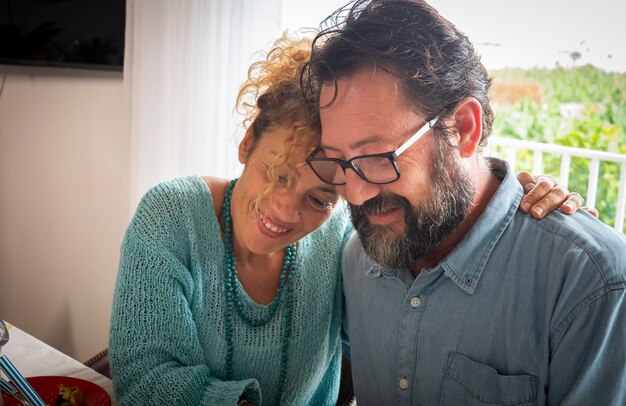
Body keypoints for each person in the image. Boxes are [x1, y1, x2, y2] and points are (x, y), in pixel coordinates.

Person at [108, 34, 587, 406]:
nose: (285, 210)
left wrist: (512, 192)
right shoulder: (173, 215)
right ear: (247, 142)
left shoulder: (348, 242)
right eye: (276, 174)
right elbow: (144, 379)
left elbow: (435, 191)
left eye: (319, 199)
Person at [302, 1, 626, 404]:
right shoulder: (358, 257)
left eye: (377, 158)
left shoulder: (588, 282)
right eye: (338, 161)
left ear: (464, 129)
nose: (354, 193)